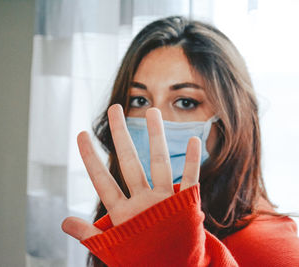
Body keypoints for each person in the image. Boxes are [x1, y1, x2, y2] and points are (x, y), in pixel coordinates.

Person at [61, 16, 299, 266]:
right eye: (139, 100)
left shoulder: (270, 247)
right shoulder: (128, 221)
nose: (156, 120)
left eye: (186, 102)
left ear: (230, 122)